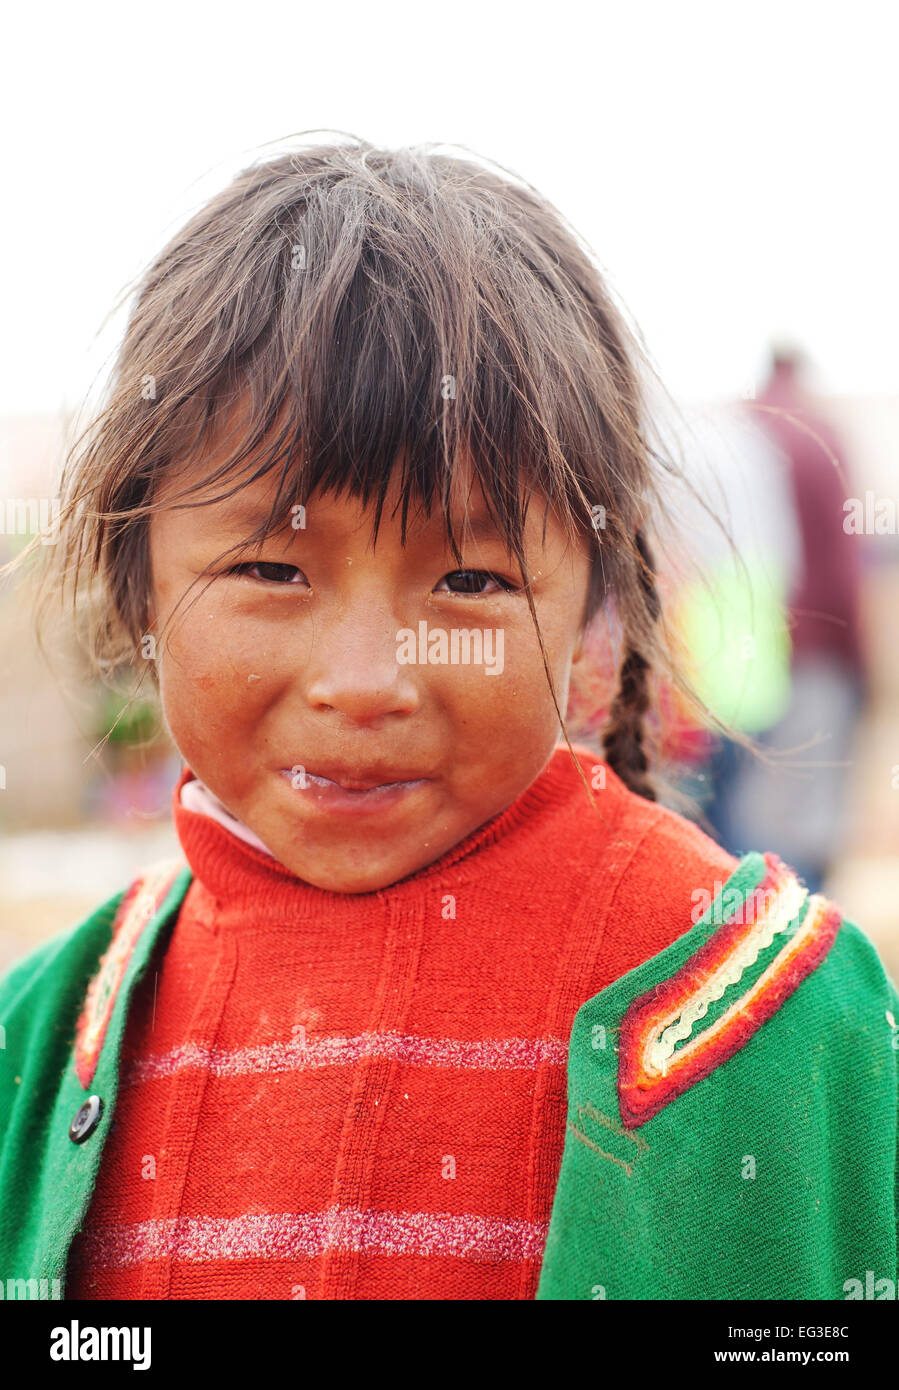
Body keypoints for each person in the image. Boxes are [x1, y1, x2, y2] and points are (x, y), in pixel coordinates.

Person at [0, 140, 896, 1302]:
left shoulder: (754, 1016)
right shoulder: (44, 1044)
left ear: (590, 605)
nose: (368, 679)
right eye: (271, 567)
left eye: (470, 581)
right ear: (140, 589)